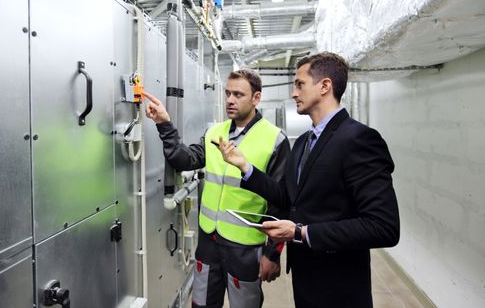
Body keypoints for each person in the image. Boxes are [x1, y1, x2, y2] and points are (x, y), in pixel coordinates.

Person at [216, 52, 400, 307]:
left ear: (325, 86)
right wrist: (245, 167)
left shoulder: (360, 139)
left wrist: (301, 233)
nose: (293, 93)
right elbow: (288, 198)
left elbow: (383, 227)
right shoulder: (303, 142)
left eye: (300, 84)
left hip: (339, 286)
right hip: (305, 278)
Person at [144, 68, 291, 308]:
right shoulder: (215, 132)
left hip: (245, 246)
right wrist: (164, 124)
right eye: (228, 93)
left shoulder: (274, 139)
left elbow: (281, 201)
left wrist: (272, 253)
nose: (230, 100)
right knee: (201, 304)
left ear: (256, 98)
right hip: (209, 242)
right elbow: (186, 160)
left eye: (239, 95)